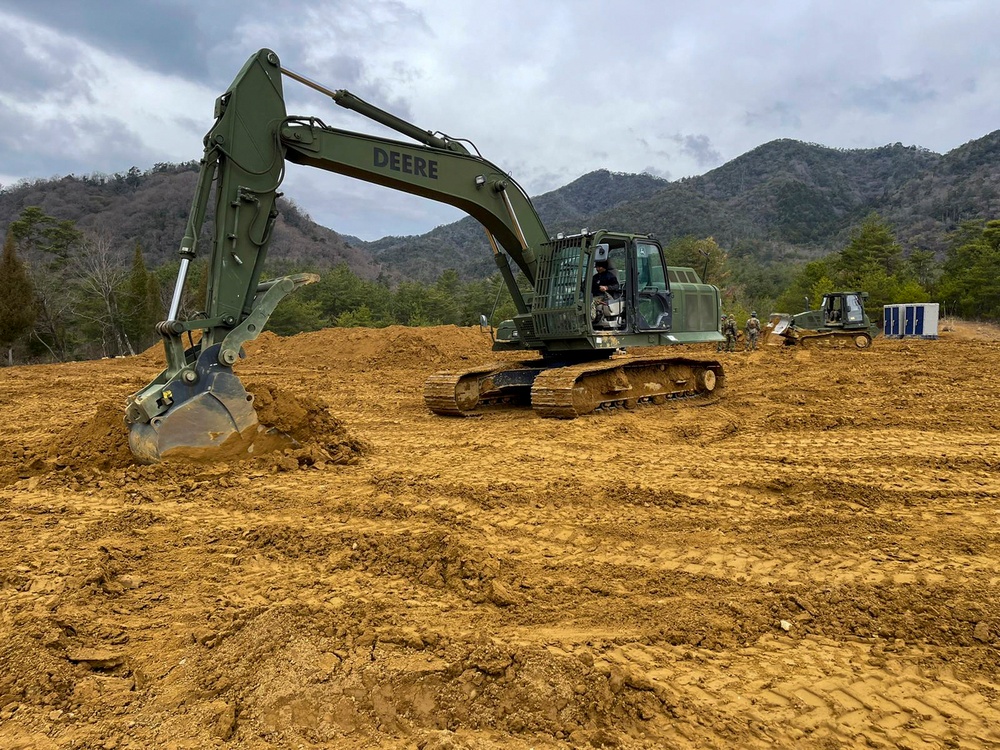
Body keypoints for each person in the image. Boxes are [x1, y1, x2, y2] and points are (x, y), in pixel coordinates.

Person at [591, 259, 621, 325]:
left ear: (604, 267)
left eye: (599, 267)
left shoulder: (610, 276)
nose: (597, 269)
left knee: (591, 302)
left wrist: (606, 288)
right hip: (595, 295)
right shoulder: (595, 277)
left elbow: (616, 286)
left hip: (606, 296)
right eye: (596, 267)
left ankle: (591, 319)